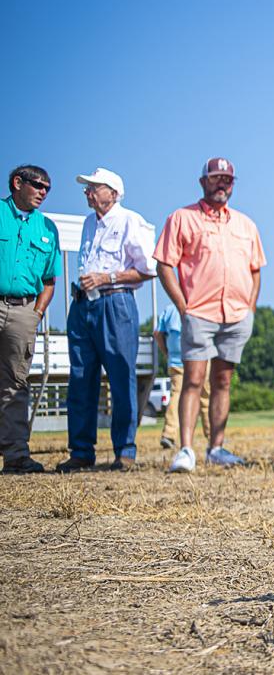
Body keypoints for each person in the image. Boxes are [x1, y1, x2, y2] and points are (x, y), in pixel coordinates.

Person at [153, 156, 266, 472]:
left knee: (224, 380)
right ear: (203, 182)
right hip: (199, 311)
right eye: (216, 178)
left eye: (227, 179)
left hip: (236, 313)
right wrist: (181, 304)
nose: (222, 184)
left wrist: (251, 306)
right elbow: (164, 263)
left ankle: (216, 447)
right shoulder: (182, 218)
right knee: (193, 378)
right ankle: (186, 449)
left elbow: (256, 269)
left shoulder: (245, 224)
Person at [58, 168, 155, 473]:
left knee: (121, 376)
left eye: (93, 187)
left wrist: (106, 277)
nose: (87, 192)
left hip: (116, 302)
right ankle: (82, 451)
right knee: (81, 378)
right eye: (86, 188)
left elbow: (148, 269)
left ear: (113, 193)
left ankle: (125, 450)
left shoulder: (130, 220)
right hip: (84, 305)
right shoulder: (89, 223)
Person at [0, 165, 58, 474]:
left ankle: (16, 456)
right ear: (17, 183)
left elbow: (50, 280)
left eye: (48, 188)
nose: (43, 192)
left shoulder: (47, 228)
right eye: (38, 185)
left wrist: (34, 315)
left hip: (24, 311)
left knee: (16, 383)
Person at [154, 299, 207, 451]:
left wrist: (167, 352)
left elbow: (157, 333)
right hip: (199, 358)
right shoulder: (199, 305)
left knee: (176, 395)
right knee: (205, 395)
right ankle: (212, 435)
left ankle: (169, 434)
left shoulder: (169, 309)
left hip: (176, 360)